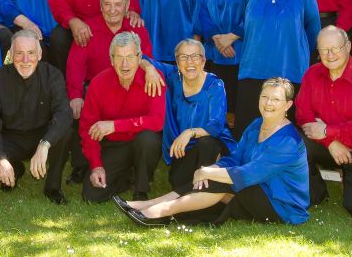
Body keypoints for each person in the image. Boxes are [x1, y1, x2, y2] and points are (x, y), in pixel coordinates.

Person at [117, 78, 309, 227]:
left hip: (281, 206)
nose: (268, 103)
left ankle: (159, 211)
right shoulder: (257, 124)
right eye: (265, 97)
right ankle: (150, 205)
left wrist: (209, 172)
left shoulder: (287, 141)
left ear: (288, 105)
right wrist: (214, 167)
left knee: (221, 180)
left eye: (276, 99)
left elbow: (248, 173)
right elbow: (236, 157)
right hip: (258, 189)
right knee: (216, 177)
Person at [65, 0, 157, 184]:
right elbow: (75, 64)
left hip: (130, 87)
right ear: (100, 6)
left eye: (118, 4)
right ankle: (81, 165)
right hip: (96, 91)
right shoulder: (87, 29)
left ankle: (133, 164)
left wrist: (150, 70)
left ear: (127, 7)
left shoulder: (137, 28)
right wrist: (75, 95)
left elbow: (147, 58)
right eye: (107, 4)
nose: (112, 9)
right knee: (77, 108)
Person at [232, 0, 321, 136]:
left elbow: (313, 29)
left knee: (286, 136)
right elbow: (245, 25)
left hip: (290, 71)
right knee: (248, 133)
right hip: (253, 70)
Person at [0, 31, 73, 204]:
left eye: (31, 53)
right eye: (19, 53)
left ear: (40, 54)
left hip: (42, 135)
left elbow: (64, 113)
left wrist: (45, 144)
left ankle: (52, 187)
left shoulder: (53, 75)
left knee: (65, 133)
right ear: (11, 55)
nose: (25, 60)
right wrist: (0, 158)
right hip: (11, 138)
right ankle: (15, 170)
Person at [295, 26, 352, 217]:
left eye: (335, 48)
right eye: (324, 50)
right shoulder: (312, 74)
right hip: (324, 146)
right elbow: (303, 116)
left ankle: (351, 181)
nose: (330, 55)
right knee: (294, 142)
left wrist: (327, 131)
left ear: (348, 46)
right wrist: (330, 141)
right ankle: (315, 192)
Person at [79, 32, 165, 203]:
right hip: (113, 145)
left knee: (148, 139)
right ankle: (127, 175)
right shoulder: (98, 84)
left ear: (139, 57)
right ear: (111, 59)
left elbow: (157, 121)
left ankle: (141, 189)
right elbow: (87, 129)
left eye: (130, 57)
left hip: (142, 143)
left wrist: (115, 125)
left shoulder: (153, 79)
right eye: (119, 57)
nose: (125, 64)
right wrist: (96, 166)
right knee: (92, 196)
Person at [198, 0, 265, 122]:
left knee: (243, 108)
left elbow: (259, 14)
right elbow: (203, 11)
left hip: (245, 53)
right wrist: (218, 38)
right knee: (220, 106)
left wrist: (232, 36)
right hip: (216, 51)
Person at [159, 40, 239, 192]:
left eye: (195, 56)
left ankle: (202, 190)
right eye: (183, 57)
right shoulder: (173, 78)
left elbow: (216, 125)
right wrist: (149, 70)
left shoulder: (214, 85)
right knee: (177, 181)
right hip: (183, 150)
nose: (189, 62)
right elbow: (144, 60)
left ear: (203, 61)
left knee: (206, 143)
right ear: (177, 61)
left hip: (213, 145)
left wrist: (189, 132)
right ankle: (193, 194)